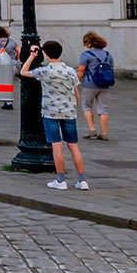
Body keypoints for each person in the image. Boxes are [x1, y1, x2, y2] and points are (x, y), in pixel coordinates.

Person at [22, 39, 90, 191]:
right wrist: (73, 107)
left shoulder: (45, 71)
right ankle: (82, 180)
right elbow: (76, 93)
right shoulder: (70, 71)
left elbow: (23, 72)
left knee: (56, 145)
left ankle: (61, 180)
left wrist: (32, 56)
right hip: (69, 112)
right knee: (73, 145)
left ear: (45, 54)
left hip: (51, 112)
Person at [78, 31, 115, 140]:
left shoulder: (86, 55)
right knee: (103, 109)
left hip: (90, 84)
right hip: (105, 84)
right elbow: (111, 69)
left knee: (87, 106)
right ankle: (103, 133)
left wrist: (76, 81)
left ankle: (92, 130)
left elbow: (81, 70)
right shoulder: (108, 55)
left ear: (89, 43)